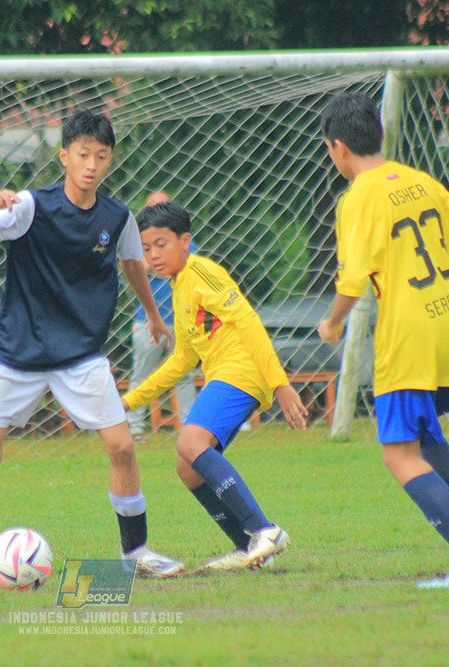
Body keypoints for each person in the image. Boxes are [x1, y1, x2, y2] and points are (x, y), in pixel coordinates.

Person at [0, 108, 184, 586]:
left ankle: (134, 552)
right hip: (17, 354)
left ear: (110, 160)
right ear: (64, 156)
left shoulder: (116, 217)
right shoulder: (31, 206)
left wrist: (154, 315)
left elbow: (132, 262)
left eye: (101, 155)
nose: (92, 164)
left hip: (80, 355)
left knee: (121, 446)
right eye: (83, 154)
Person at [315, 92, 449, 590]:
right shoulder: (417, 180)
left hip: (408, 335)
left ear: (337, 149)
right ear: (379, 137)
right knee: (427, 437)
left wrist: (332, 322)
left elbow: (352, 280)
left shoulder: (357, 199)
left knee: (398, 453)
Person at [121, 201, 308, 573]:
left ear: (185, 241)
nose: (153, 256)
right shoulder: (179, 288)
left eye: (161, 244)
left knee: (190, 444)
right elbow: (182, 359)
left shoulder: (200, 271)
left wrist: (281, 383)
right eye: (146, 249)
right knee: (188, 467)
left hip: (241, 371)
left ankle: (263, 530)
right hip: (226, 374)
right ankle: (248, 548)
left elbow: (249, 322)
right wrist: (127, 402)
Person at [127, 191, 197, 444]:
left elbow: (187, 265)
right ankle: (134, 427)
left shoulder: (182, 240)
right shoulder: (137, 243)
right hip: (147, 321)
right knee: (143, 373)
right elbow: (138, 267)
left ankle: (190, 427)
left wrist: (156, 265)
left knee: (184, 374)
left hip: (180, 320)